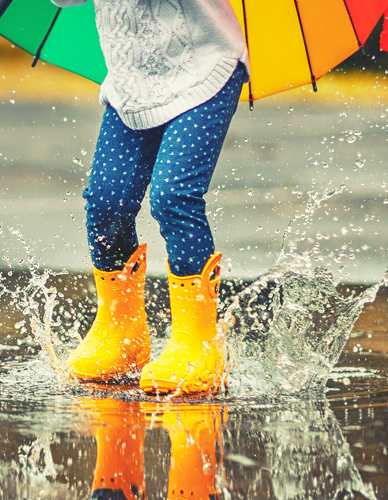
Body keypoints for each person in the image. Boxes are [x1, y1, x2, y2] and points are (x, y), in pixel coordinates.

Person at [52, 0, 249, 395]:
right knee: (107, 203)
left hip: (204, 66)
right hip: (132, 84)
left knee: (173, 197)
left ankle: (198, 342)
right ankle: (121, 333)